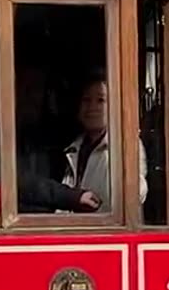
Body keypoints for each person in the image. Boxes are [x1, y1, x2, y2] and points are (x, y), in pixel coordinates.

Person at [60, 77, 148, 211]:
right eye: (86, 100)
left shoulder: (126, 143)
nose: (92, 107)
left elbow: (136, 193)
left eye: (101, 100)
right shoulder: (74, 148)